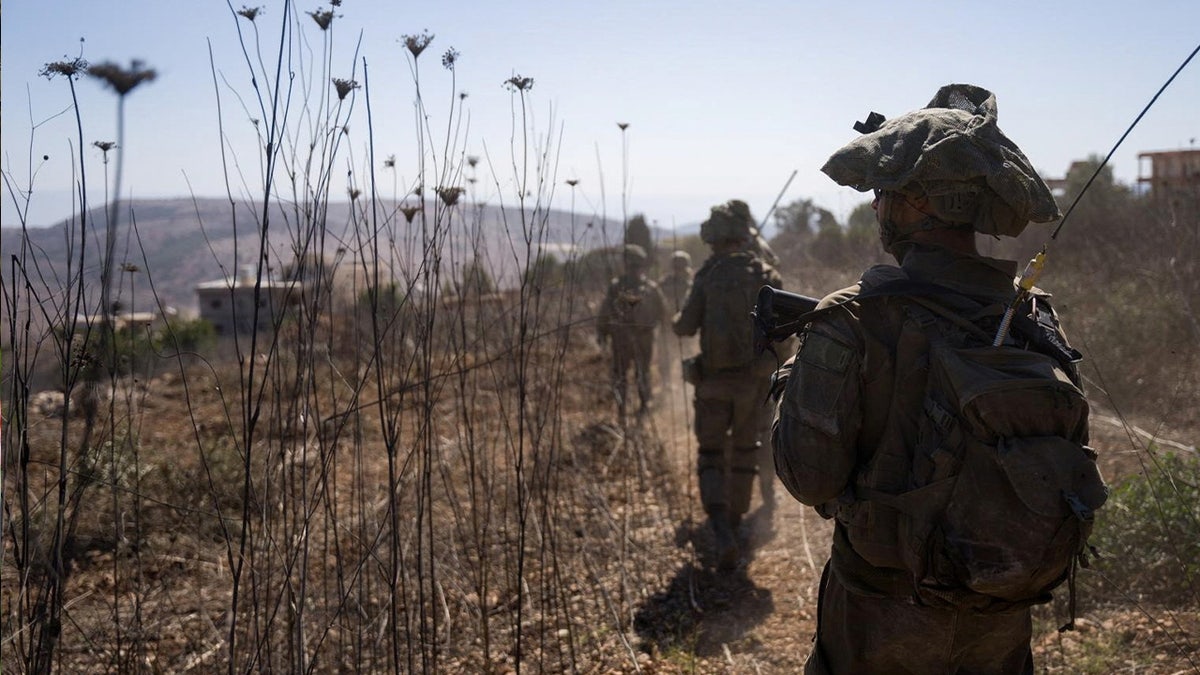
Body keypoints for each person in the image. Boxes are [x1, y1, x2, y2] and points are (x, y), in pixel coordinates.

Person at [772, 84, 1076, 673]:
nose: (877, 207)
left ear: (915, 206)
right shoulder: (1031, 316)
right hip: (1001, 610)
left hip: (883, 616)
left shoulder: (853, 318)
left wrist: (791, 379)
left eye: (884, 194)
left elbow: (809, 477)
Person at [673, 201, 782, 570]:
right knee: (746, 453)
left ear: (713, 238)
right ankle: (735, 524)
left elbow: (684, 326)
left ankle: (721, 529)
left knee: (712, 454)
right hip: (752, 386)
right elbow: (785, 335)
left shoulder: (706, 276)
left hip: (714, 385)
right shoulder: (766, 273)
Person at [597, 244, 668, 421]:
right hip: (622, 338)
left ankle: (642, 407)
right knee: (623, 375)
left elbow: (663, 313)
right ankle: (623, 410)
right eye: (632, 266)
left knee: (641, 373)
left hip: (642, 338)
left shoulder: (650, 288)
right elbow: (605, 313)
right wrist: (602, 333)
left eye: (636, 266)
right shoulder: (617, 287)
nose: (634, 269)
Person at [656, 250, 693, 383]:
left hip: (672, 329)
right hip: (679, 329)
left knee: (668, 361)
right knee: (683, 359)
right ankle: (673, 386)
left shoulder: (662, 283)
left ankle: (670, 386)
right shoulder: (691, 285)